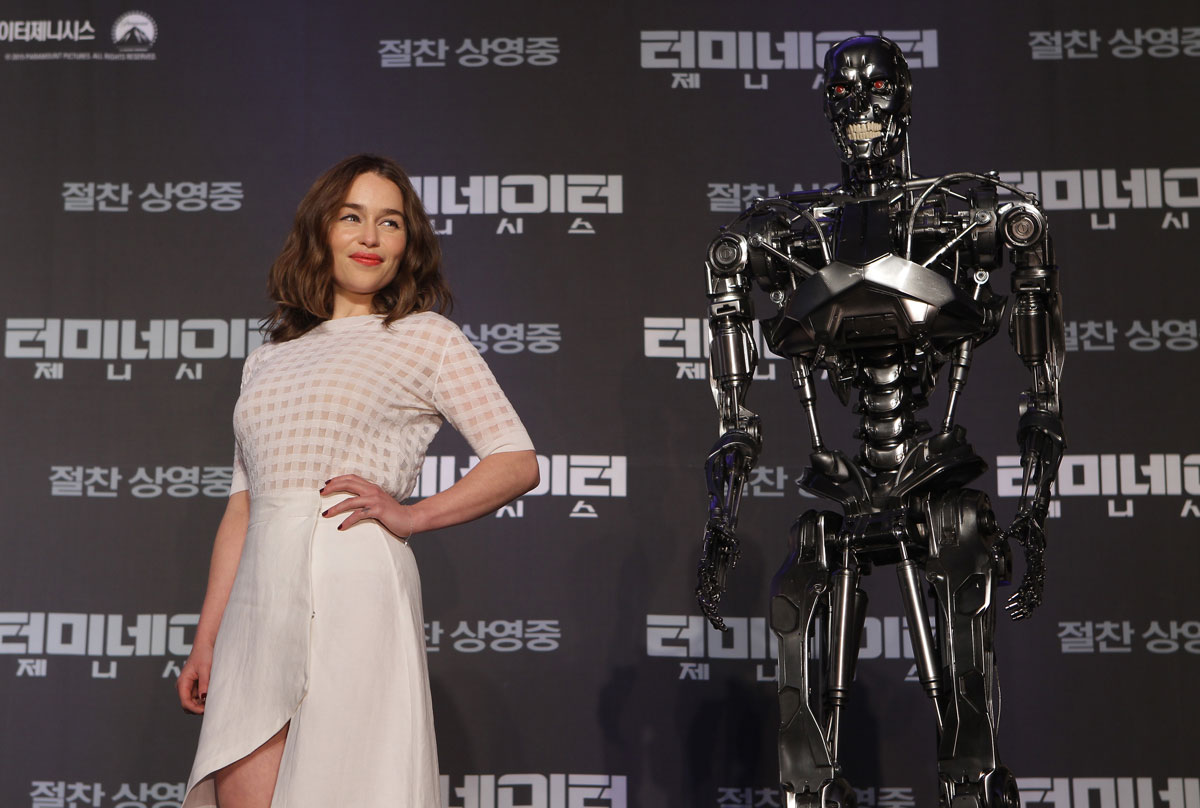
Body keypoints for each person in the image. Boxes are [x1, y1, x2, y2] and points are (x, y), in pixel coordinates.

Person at [176, 154, 539, 808]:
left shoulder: (426, 338)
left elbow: (516, 460)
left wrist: (413, 515)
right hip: (258, 593)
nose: (371, 237)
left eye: (390, 222)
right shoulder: (266, 361)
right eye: (352, 217)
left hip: (354, 579)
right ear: (321, 230)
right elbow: (244, 507)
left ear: (407, 244)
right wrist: (208, 637)